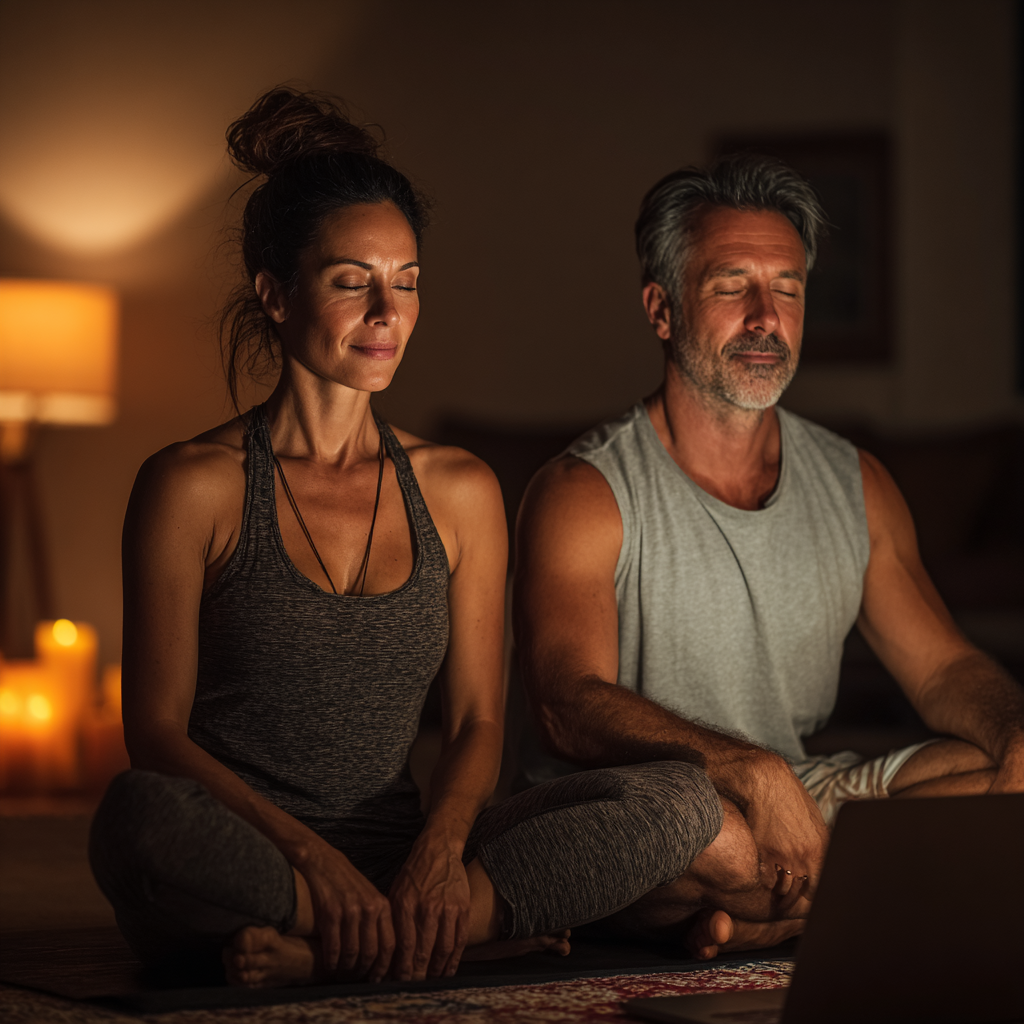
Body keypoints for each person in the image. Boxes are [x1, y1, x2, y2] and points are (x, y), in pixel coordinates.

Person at [87, 88, 732, 990]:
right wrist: (313, 863)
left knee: (678, 798)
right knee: (135, 819)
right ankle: (432, 939)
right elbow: (156, 734)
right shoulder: (191, 485)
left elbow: (476, 721)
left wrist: (438, 852)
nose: (388, 312)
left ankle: (343, 949)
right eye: (353, 281)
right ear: (276, 293)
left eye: (408, 281)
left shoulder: (459, 490)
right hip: (253, 859)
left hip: (408, 859)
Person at [513, 154, 1024, 959]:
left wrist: (1016, 726)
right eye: (731, 286)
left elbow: (943, 671)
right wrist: (751, 772)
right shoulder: (584, 490)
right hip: (650, 806)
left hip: (795, 799)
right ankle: (829, 896)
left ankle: (770, 913)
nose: (765, 317)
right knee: (710, 835)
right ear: (662, 308)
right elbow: (567, 705)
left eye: (786, 288)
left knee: (1003, 775)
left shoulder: (856, 481)